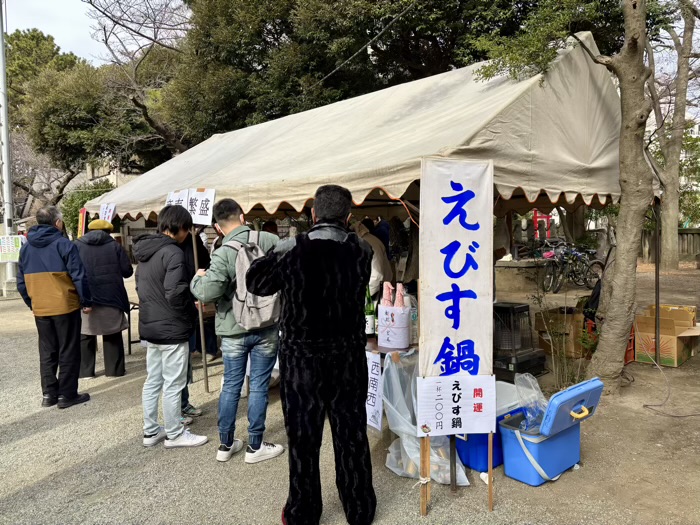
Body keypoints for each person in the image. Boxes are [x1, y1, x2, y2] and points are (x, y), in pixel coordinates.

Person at [247, 185, 377, 525]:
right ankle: (359, 508)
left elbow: (256, 283)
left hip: (301, 360)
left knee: (303, 440)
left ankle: (303, 512)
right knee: (351, 434)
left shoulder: (290, 249)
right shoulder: (361, 251)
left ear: (313, 214)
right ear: (348, 217)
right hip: (348, 356)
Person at [191, 198, 284, 465]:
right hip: (266, 324)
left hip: (233, 329)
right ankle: (255, 446)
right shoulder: (267, 240)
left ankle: (226, 443)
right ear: (242, 217)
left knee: (231, 385)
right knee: (258, 386)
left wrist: (197, 279)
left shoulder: (222, 252)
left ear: (219, 228)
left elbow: (208, 292)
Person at [133, 205, 208, 449]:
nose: (188, 234)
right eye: (187, 228)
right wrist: (192, 296)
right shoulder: (172, 252)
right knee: (174, 383)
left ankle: (151, 430)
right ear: (178, 227)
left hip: (150, 325)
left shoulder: (144, 253)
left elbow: (140, 289)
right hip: (172, 327)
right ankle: (175, 433)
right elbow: (175, 292)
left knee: (153, 380)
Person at [17, 206, 92, 409]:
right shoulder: (64, 244)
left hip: (41, 307)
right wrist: (86, 301)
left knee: (47, 350)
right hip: (65, 305)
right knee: (68, 349)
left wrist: (31, 303)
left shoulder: (25, 247)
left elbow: (20, 282)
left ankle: (48, 394)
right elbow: (78, 275)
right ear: (57, 223)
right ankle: (66, 395)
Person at [75, 219, 133, 378]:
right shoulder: (115, 246)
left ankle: (85, 371)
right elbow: (127, 271)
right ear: (108, 232)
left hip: (86, 296)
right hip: (111, 295)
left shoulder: (77, 245)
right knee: (112, 332)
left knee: (86, 333)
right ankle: (114, 370)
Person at [354, 218, 392, 297]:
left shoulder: (367, 243)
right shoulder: (368, 240)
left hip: (375, 292)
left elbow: (377, 275)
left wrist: (363, 297)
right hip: (376, 289)